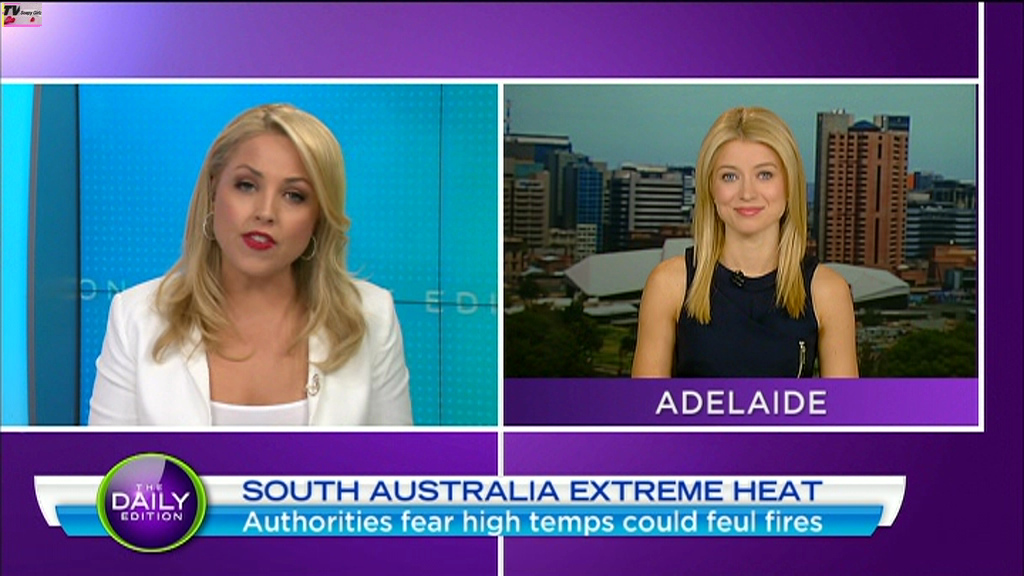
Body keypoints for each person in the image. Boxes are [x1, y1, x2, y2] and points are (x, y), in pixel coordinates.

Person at [89, 104, 414, 425]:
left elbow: (395, 459)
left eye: (294, 195)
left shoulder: (372, 318)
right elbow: (108, 460)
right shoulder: (136, 318)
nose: (266, 212)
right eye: (247, 186)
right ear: (213, 191)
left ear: (318, 217)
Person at [632, 106, 858, 378]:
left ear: (790, 185)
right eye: (730, 176)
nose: (747, 193)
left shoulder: (828, 292)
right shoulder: (669, 285)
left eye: (765, 175)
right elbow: (645, 404)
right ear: (710, 188)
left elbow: (844, 405)